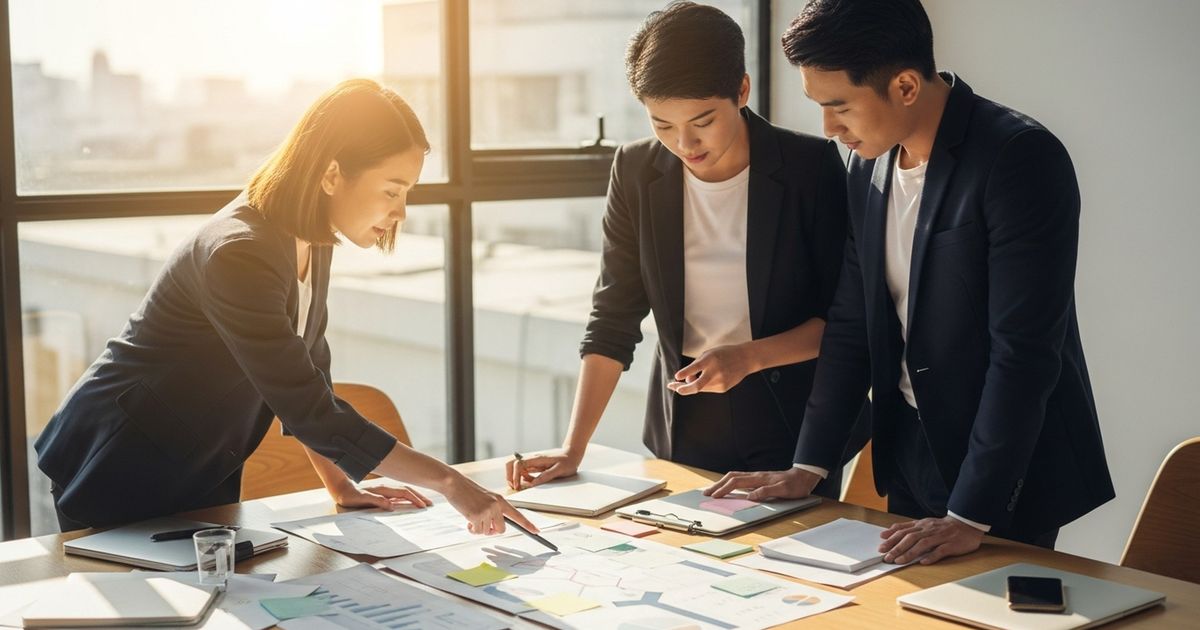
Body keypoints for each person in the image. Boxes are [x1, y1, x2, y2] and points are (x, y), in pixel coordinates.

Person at [705, 0, 1115, 565]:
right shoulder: (868, 163)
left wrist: (970, 513)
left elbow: (1024, 351)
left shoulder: (1019, 157)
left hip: (1002, 468)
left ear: (904, 86)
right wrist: (808, 466)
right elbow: (852, 322)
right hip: (909, 448)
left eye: (839, 107)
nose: (829, 128)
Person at [35, 79, 537, 536]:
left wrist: (341, 486)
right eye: (392, 190)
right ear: (332, 173)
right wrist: (451, 483)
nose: (401, 212)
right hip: (120, 462)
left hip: (195, 464)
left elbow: (309, 375)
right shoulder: (238, 252)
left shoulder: (311, 240)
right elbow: (310, 409)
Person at [506, 2, 867, 494]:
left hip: (795, 425)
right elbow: (613, 318)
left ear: (742, 90)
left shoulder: (811, 167)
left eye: (703, 121)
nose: (685, 143)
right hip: (684, 423)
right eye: (662, 124)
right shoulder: (635, 171)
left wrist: (747, 357)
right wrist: (574, 448)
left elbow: (845, 321)